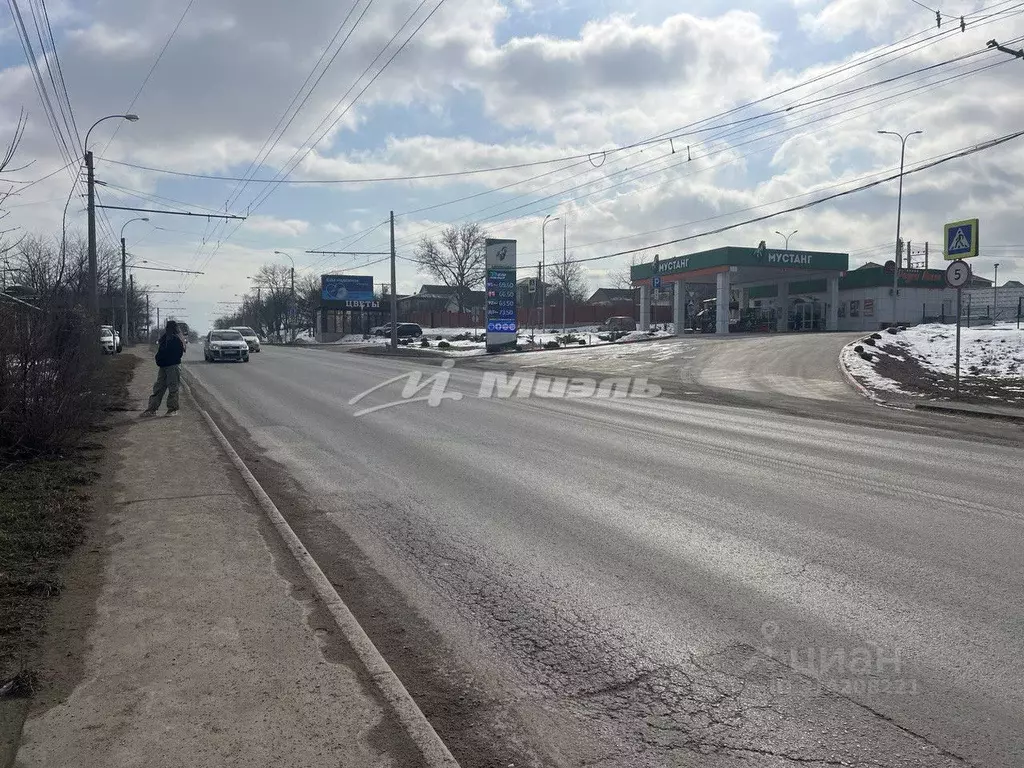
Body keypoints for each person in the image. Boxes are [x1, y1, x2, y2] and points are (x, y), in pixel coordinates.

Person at [141, 320, 186, 417]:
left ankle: (172, 409)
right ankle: (152, 409)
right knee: (159, 387)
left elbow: (178, 354)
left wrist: (165, 358)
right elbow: (161, 350)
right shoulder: (165, 338)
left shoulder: (177, 339)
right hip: (164, 366)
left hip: (173, 366)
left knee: (173, 388)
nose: (167, 329)